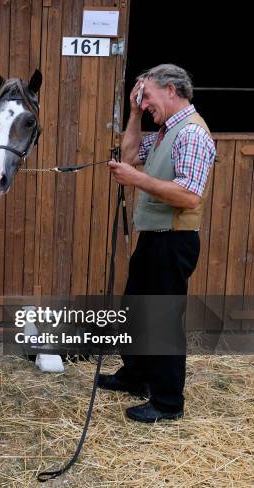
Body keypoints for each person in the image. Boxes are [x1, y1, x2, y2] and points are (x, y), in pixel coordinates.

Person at [100, 64, 216, 422]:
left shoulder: (191, 134)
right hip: (155, 239)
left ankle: (167, 403)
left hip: (174, 241)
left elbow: (189, 195)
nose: (144, 102)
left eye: (146, 95)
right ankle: (137, 377)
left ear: (171, 89)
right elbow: (131, 155)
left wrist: (136, 179)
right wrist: (134, 113)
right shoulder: (168, 131)